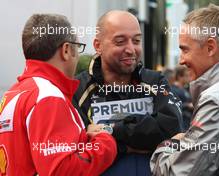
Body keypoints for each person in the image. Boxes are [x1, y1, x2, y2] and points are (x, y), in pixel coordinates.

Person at [150, 4, 219, 176]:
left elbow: (178, 173)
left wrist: (169, 146)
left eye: (185, 49)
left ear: (210, 47)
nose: (181, 60)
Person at [0, 14, 117, 175]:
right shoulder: (48, 96)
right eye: (78, 47)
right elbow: (62, 170)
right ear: (66, 50)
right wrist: (104, 141)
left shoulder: (13, 93)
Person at [73, 10, 182, 176]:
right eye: (120, 42)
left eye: (136, 41)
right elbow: (77, 147)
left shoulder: (156, 82)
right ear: (98, 46)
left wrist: (111, 130)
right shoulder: (78, 89)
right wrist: (132, 144)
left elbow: (170, 131)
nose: (131, 49)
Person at [173, 65, 193, 131]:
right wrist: (187, 105)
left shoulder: (185, 89)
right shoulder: (174, 90)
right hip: (180, 126)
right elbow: (172, 106)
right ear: (180, 76)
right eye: (186, 76)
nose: (188, 78)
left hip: (187, 124)